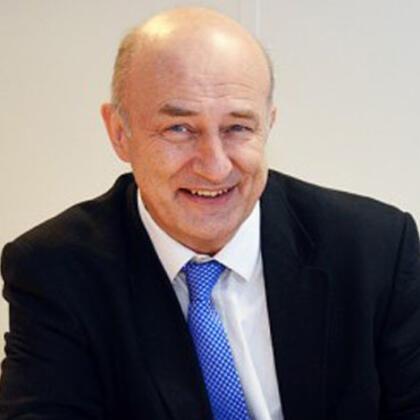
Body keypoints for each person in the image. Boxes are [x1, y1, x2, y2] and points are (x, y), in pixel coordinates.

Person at [0, 6, 419, 420]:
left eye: (238, 128)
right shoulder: (55, 271)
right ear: (119, 133)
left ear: (268, 125)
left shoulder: (376, 249)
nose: (215, 166)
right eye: (179, 129)